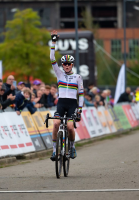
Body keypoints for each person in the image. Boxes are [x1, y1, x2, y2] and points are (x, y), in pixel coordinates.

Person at [50, 30, 84, 161]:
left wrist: (79, 110)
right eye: (64, 64)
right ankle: (54, 151)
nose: (67, 66)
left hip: (72, 105)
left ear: (72, 65)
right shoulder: (59, 74)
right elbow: (52, 58)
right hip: (61, 103)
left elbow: (81, 94)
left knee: (70, 126)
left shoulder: (78, 77)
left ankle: (72, 147)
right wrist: (53, 42)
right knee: (55, 124)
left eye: (69, 64)